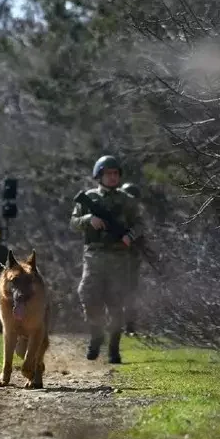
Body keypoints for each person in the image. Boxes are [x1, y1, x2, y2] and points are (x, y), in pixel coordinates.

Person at [69, 155, 144, 364]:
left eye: (115, 174)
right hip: (94, 255)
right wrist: (88, 219)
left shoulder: (127, 201)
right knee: (88, 295)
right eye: (108, 174)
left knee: (116, 304)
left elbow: (139, 224)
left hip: (119, 257)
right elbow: (73, 223)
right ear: (99, 176)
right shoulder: (89, 198)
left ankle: (113, 348)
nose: (112, 177)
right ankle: (96, 335)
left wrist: (130, 236)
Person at [120, 182, 143, 336]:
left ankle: (129, 327)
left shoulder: (136, 218)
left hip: (130, 260)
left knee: (130, 294)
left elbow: (140, 231)